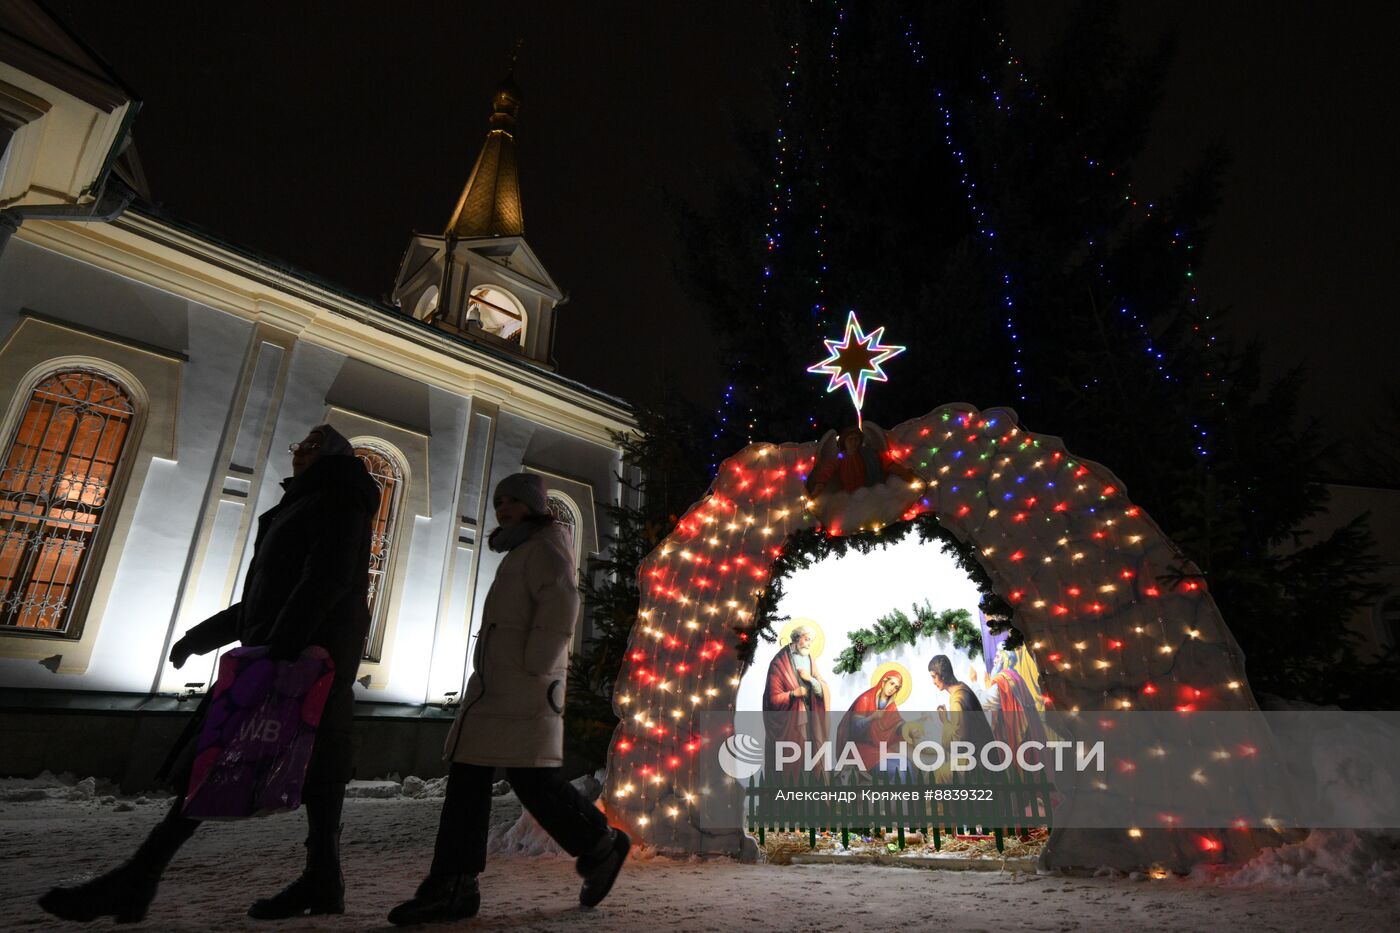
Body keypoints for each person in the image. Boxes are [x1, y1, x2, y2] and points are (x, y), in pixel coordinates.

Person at [38, 424, 379, 923]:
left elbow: (325, 579)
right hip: (300, 660)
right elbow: (274, 591)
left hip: (304, 666)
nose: (297, 455)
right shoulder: (311, 502)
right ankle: (322, 880)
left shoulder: (337, 500)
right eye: (297, 447)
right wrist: (203, 636)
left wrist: (280, 652)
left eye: (305, 447)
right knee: (318, 776)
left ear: (326, 456)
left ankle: (139, 878)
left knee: (216, 760)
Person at [388, 473, 629, 925]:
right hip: (502, 686)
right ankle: (594, 848)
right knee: (495, 779)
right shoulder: (526, 546)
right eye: (498, 501)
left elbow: (560, 604)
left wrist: (534, 665)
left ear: (533, 505)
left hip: (521, 685)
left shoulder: (543, 546)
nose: (503, 508)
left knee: (508, 779)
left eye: (512, 500)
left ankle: (458, 885)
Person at [761, 625, 830, 781]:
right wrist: (793, 694)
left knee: (811, 761)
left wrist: (810, 680)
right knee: (792, 764)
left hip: (810, 721)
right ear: (797, 638)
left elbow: (821, 687)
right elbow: (772, 699)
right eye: (807, 639)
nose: (808, 644)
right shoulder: (779, 662)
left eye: (811, 641)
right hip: (790, 724)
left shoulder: (810, 659)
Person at [834, 670, 911, 775]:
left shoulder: (891, 706)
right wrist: (872, 717)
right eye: (891, 684)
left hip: (879, 749)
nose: (893, 689)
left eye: (896, 687)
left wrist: (908, 728)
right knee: (899, 771)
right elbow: (854, 728)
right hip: (860, 750)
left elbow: (896, 725)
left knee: (907, 766)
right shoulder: (865, 699)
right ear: (884, 682)